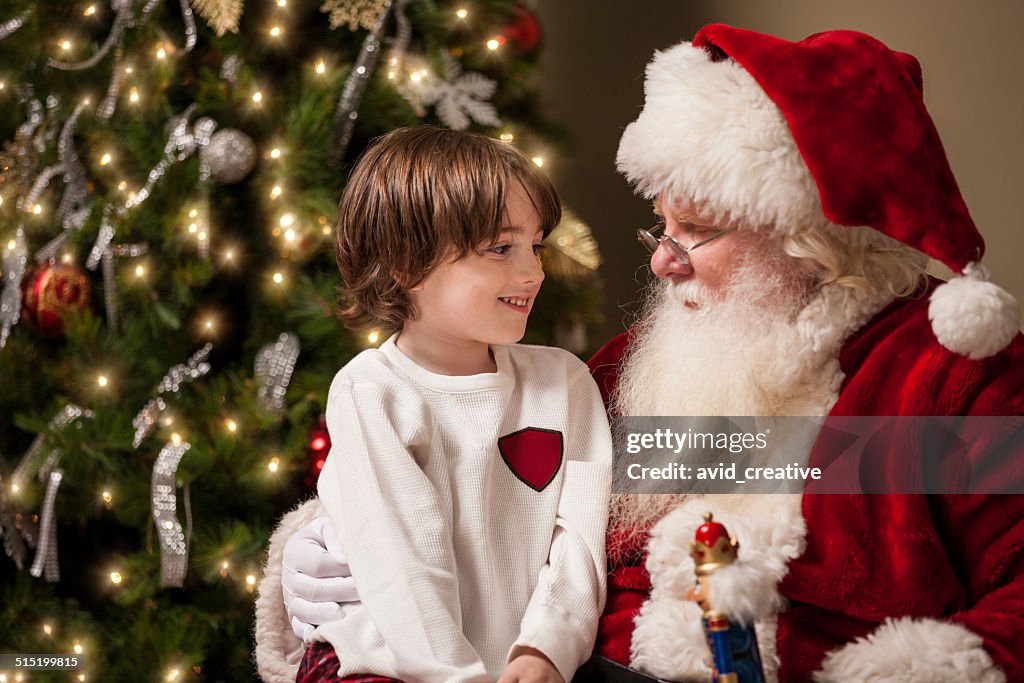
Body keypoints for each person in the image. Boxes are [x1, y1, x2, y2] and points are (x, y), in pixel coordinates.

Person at [256, 26, 1024, 683]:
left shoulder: (953, 374)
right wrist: (328, 540)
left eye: (699, 230)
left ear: (813, 236)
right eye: (661, 227)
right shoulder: (632, 370)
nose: (663, 261)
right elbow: (489, 499)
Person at [260, 126, 613, 683]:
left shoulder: (564, 383)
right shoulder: (373, 391)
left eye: (536, 245)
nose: (533, 272)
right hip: (389, 667)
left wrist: (547, 647)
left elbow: (580, 541)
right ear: (406, 265)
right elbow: (406, 571)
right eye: (501, 248)